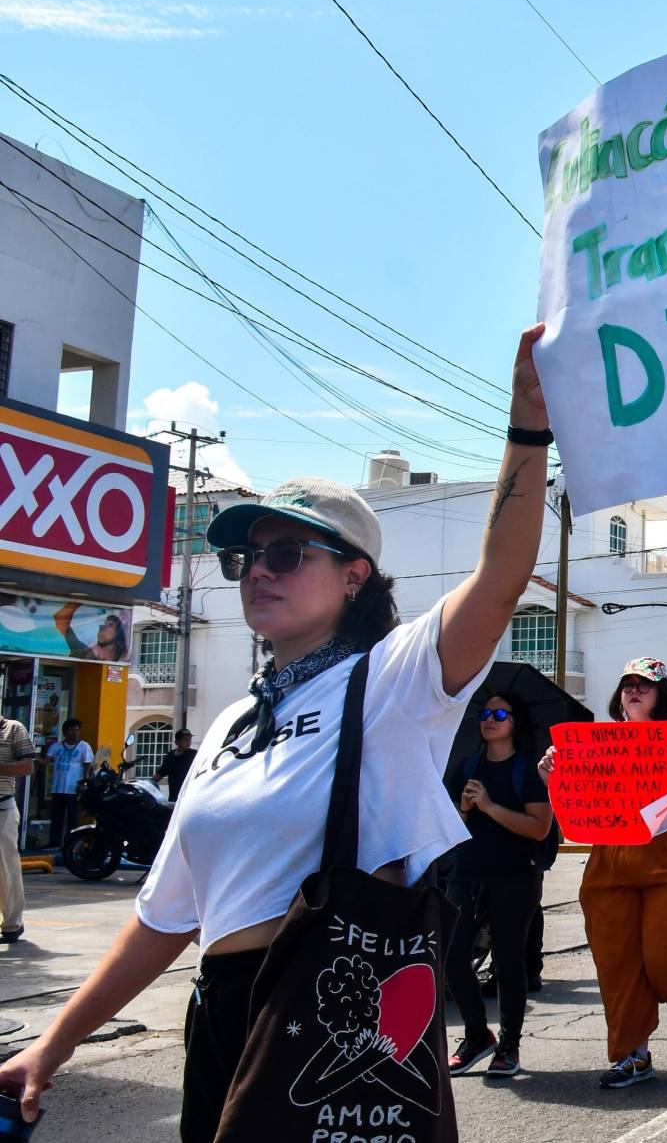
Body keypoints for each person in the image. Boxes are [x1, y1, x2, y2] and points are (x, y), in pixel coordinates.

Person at [0, 325, 554, 1135]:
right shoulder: (230, 723)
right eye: (245, 559)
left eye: (287, 553)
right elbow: (163, 920)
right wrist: (52, 1045)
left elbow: (502, 579)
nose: (257, 570)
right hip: (223, 1020)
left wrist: (527, 427)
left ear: (354, 574)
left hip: (333, 1010)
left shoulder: (390, 681)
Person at [542, 658, 667, 1089]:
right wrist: (552, 775)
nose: (634, 690)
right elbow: (575, 803)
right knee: (617, 961)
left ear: (661, 696)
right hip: (611, 858)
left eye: (645, 685)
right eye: (627, 684)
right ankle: (634, 1054)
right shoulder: (595, 743)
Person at [443, 694, 552, 1080]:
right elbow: (445, 824)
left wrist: (489, 807)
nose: (490, 719)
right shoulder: (466, 767)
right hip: (466, 872)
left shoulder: (529, 771)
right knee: (451, 954)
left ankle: (509, 1046)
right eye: (486, 713)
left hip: (515, 874)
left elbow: (538, 827)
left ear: (514, 722)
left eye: (500, 713)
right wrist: (465, 809)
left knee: (508, 962)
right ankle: (477, 1036)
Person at [2, 712, 34, 943]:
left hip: (2, 807)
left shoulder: (13, 729)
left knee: (6, 868)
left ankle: (13, 925)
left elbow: (27, 767)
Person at [41, 719, 93, 849]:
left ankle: (70, 844)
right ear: (65, 732)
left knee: (72, 819)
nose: (75, 733)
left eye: (76, 730)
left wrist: (84, 784)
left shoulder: (84, 746)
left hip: (74, 789)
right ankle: (54, 843)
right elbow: (45, 761)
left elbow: (87, 766)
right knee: (56, 818)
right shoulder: (56, 747)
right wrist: (32, 755)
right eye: (71, 730)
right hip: (58, 788)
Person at [56, 601, 128, 663]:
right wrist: (80, 599)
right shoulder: (81, 650)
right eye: (104, 623)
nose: (102, 626)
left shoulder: (122, 661)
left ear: (118, 634)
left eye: (110, 625)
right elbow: (60, 618)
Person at [155, 729, 198, 803]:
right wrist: (149, 784)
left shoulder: (194, 755)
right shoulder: (170, 756)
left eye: (189, 740)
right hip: (174, 798)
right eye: (185, 740)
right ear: (177, 742)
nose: (188, 742)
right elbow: (161, 772)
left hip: (190, 798)